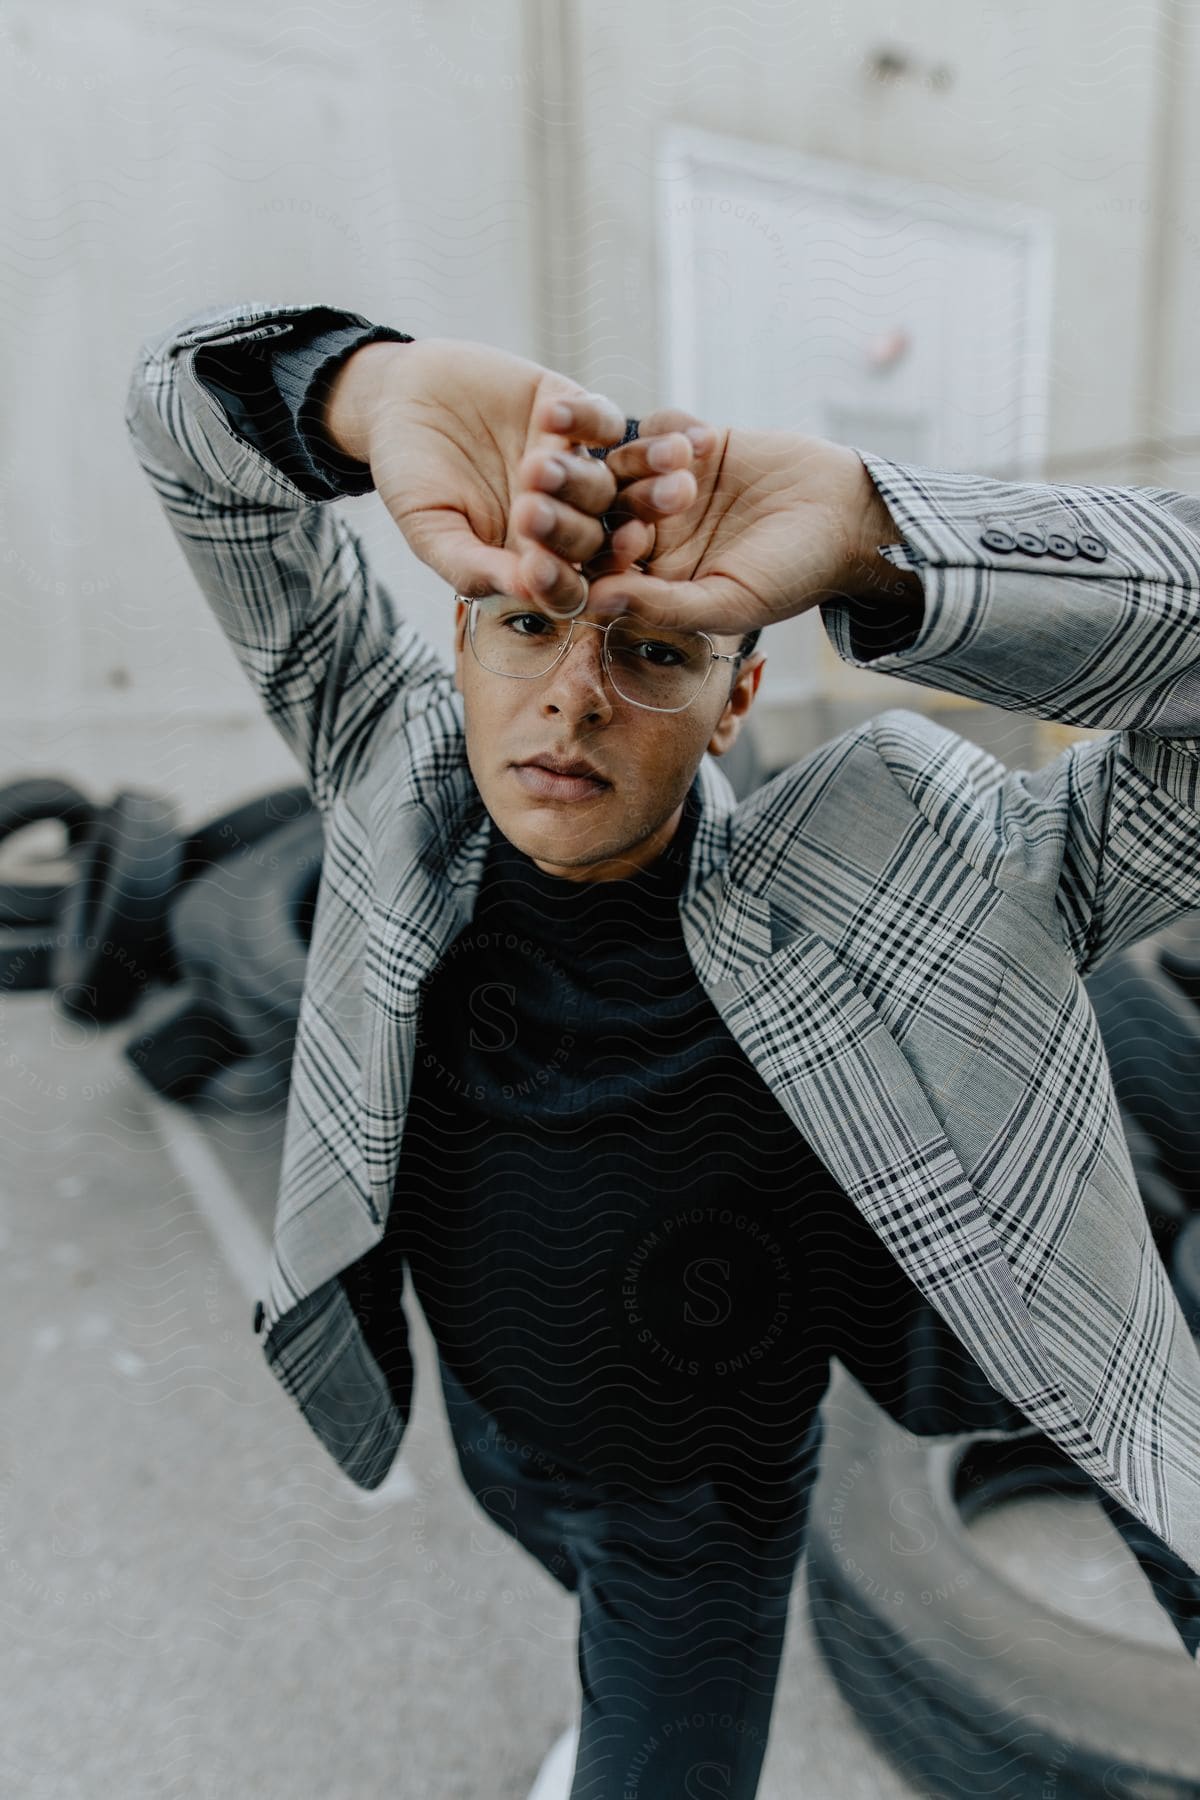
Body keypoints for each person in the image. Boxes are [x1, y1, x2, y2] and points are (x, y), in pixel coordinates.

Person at [126, 302, 1200, 1800]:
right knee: (579, 1601)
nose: (572, 697)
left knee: (652, 1714)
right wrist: (368, 393)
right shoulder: (388, 763)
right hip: (495, 1431)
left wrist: (892, 540)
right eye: (526, 626)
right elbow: (182, 430)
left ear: (736, 693)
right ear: (464, 631)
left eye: (655, 649)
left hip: (702, 1518)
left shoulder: (915, 875)